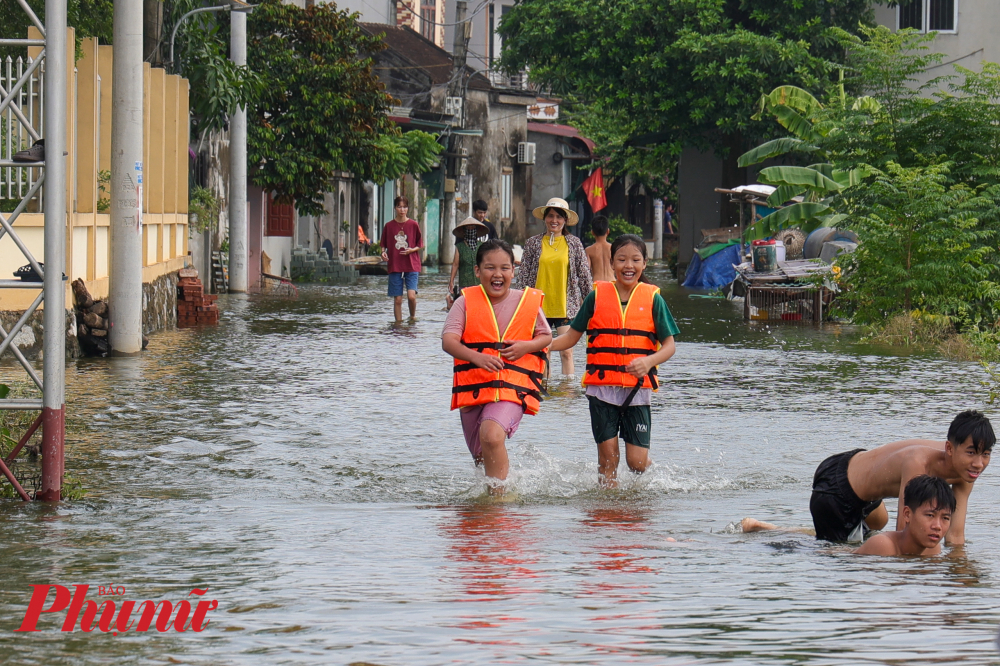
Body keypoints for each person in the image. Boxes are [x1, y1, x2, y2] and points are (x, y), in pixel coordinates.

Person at [742, 410, 993, 544]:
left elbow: (956, 536)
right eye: (971, 453)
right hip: (836, 491)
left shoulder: (965, 472)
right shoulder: (919, 462)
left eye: (986, 454)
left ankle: (829, 530)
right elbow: (905, 534)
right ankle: (773, 530)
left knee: (876, 525)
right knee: (843, 549)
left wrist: (962, 578)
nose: (978, 463)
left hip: (864, 485)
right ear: (950, 448)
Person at [548, 234, 679, 487]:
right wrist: (542, 346)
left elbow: (670, 346)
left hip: (637, 390)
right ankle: (608, 516)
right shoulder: (596, 297)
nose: (628, 266)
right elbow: (571, 338)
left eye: (635, 260)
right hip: (601, 389)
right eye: (621, 259)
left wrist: (649, 362)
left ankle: (646, 483)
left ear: (644, 264)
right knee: (608, 460)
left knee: (636, 464)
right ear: (612, 262)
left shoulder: (654, 299)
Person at [442, 239, 553, 494]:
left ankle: (500, 502)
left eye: (505, 268)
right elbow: (448, 341)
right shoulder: (464, 302)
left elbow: (545, 336)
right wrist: (476, 357)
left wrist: (525, 347)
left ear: (513, 271)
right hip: (474, 390)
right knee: (481, 455)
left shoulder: (526, 301)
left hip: (512, 389)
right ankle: (494, 504)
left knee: (491, 435)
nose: (498, 274)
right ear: (478, 271)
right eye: (490, 268)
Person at [513, 197, 593, 376]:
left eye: (558, 217)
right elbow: (524, 276)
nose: (554, 220)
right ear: (545, 218)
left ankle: (567, 393)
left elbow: (584, 276)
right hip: (538, 308)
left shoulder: (574, 244)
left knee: (567, 352)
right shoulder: (533, 243)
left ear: (565, 220)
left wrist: (593, 304)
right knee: (543, 352)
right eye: (550, 216)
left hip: (566, 306)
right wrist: (517, 305)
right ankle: (546, 396)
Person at [854, 475, 955, 556]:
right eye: (930, 515)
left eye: (945, 518)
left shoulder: (932, 550)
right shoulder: (883, 546)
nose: (937, 526)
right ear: (907, 514)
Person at [380, 196, 423, 323]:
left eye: (404, 207)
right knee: (398, 299)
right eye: (399, 206)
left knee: (411, 296)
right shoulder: (389, 226)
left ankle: (412, 317)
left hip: (412, 264)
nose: (402, 209)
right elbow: (383, 244)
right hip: (395, 264)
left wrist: (411, 250)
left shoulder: (413, 224)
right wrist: (383, 253)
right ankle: (398, 325)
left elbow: (420, 244)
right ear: (395, 208)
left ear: (408, 208)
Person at [447, 217, 490, 310]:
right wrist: (451, 281)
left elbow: (486, 263)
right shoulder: (460, 247)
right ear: (464, 231)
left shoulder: (481, 246)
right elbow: (455, 265)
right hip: (464, 283)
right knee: (465, 308)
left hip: (479, 283)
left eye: (472, 227)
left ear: (476, 230)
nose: (470, 230)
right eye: (468, 228)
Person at [585, 215, 614, 283]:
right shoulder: (614, 248)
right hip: (612, 284)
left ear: (592, 232)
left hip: (597, 284)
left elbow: (586, 271)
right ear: (608, 231)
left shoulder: (589, 250)